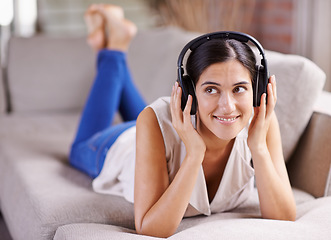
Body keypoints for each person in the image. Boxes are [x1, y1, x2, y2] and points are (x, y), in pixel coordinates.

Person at [70, 4, 296, 238]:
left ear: (258, 91)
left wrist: (258, 148)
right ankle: (113, 50)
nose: (228, 106)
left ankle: (113, 45)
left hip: (164, 132)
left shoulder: (261, 122)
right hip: (120, 144)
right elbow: (150, 228)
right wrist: (194, 154)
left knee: (158, 120)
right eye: (211, 90)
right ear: (191, 93)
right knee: (79, 148)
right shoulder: (153, 120)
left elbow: (284, 216)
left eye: (239, 88)